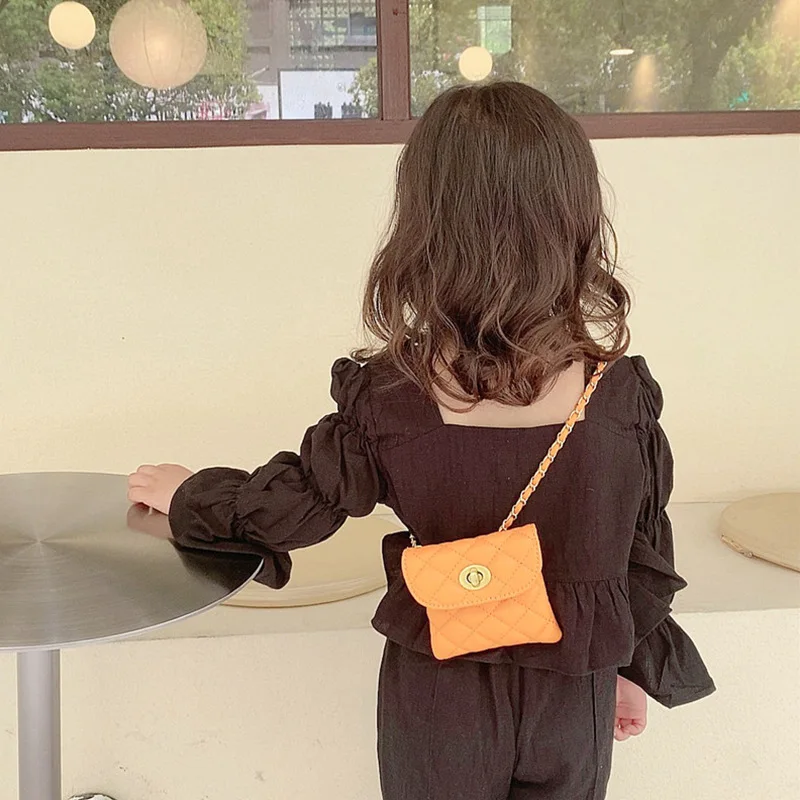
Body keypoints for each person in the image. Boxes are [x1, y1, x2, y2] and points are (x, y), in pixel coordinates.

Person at [128, 81, 715, 800]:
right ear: (575, 216)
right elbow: (641, 550)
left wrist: (190, 495)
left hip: (442, 688)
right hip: (575, 692)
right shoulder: (619, 398)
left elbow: (292, 509)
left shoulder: (392, 396)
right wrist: (629, 664)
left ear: (427, 224)